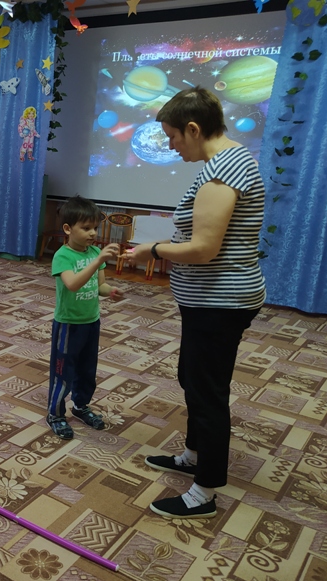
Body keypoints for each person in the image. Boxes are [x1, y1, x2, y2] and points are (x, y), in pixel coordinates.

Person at [124, 87, 266, 519]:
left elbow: (204, 248)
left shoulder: (225, 171)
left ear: (193, 128)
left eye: (172, 137)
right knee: (192, 377)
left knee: (207, 392)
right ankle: (192, 455)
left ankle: (205, 491)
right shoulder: (222, 165)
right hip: (209, 301)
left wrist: (153, 250)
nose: (170, 146)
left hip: (220, 303)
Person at [47, 196, 123, 440]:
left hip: (91, 321)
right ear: (68, 229)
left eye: (95, 228)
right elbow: (72, 284)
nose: (93, 233)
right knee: (63, 371)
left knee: (87, 370)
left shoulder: (94, 252)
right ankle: (55, 414)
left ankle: (80, 406)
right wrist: (98, 260)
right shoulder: (63, 256)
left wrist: (110, 291)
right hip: (68, 325)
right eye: (86, 228)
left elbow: (99, 285)